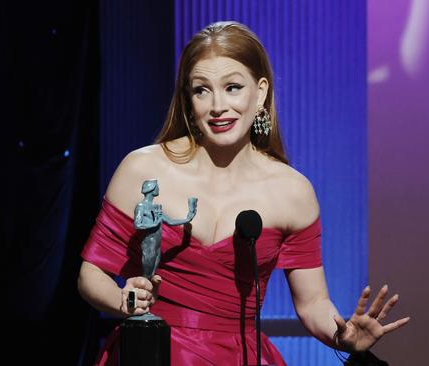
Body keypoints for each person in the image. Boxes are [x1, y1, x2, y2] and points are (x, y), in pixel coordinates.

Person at [77, 21, 409, 365]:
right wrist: (122, 300)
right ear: (189, 100)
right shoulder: (142, 169)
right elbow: (91, 274)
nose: (218, 105)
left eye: (233, 87)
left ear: (260, 91)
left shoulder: (292, 192)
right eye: (201, 90)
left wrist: (343, 335)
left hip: (242, 357)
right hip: (150, 351)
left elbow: (312, 304)